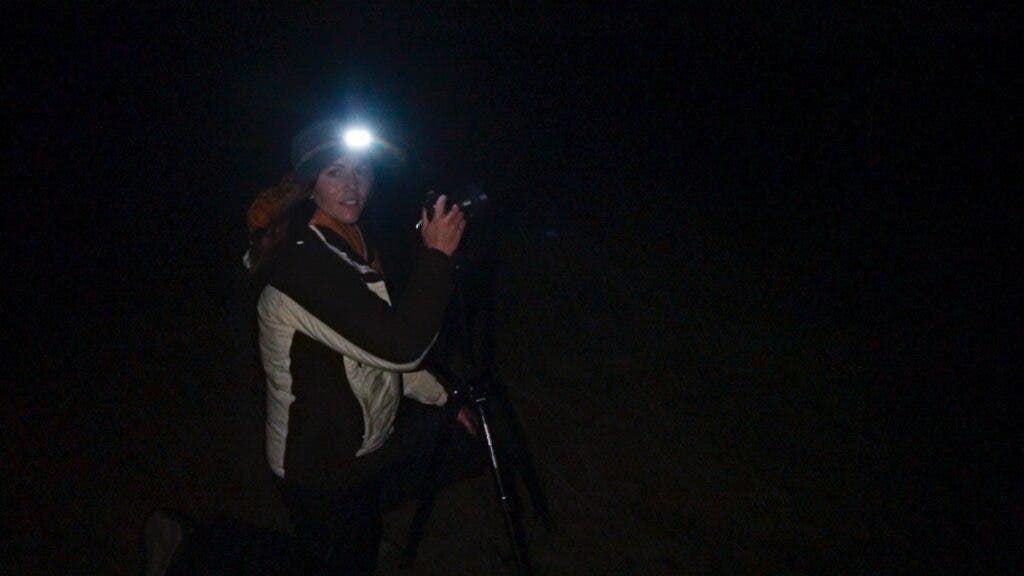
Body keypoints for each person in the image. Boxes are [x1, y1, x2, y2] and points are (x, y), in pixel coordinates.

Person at [245, 118, 476, 574]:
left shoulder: (350, 240)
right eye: (336, 172)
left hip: (365, 447)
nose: (354, 186)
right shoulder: (300, 264)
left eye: (362, 170)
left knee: (356, 545)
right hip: (318, 464)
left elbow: (376, 342)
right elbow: (400, 346)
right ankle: (201, 548)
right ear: (310, 183)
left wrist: (445, 396)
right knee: (326, 558)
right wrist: (437, 257)